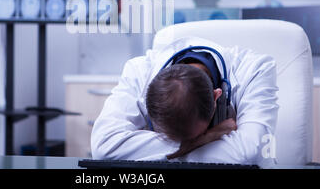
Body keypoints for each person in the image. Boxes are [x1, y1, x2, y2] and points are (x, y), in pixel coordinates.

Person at [91, 36, 279, 166]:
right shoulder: (139, 71)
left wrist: (166, 152)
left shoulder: (256, 69)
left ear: (216, 97)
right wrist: (208, 137)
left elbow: (255, 152)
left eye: (196, 136)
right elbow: (103, 146)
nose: (193, 142)